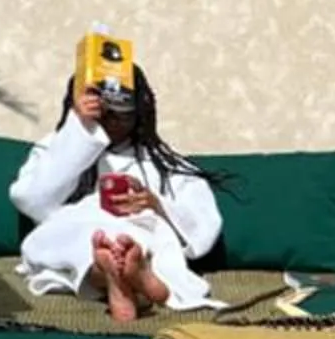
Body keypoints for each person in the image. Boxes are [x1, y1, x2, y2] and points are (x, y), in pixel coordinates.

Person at [11, 63, 222, 320]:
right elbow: (31, 199)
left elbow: (204, 224)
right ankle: (121, 275)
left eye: (121, 115)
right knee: (54, 238)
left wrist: (157, 206)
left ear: (140, 113)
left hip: (142, 240)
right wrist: (80, 131)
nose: (112, 123)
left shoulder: (160, 161)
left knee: (127, 239)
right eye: (104, 113)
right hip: (77, 241)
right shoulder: (57, 147)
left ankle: (127, 272)